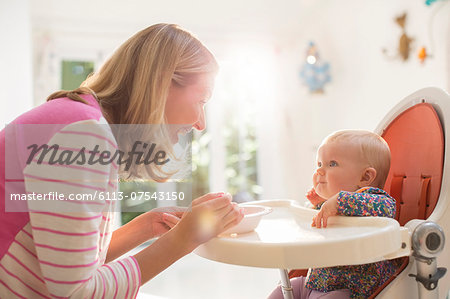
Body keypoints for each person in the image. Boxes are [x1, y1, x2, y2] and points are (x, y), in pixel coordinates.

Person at [0, 23, 243, 298]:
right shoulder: (83, 135)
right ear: (160, 84)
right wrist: (181, 241)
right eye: (202, 100)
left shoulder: (82, 124)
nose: (201, 123)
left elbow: (71, 268)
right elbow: (76, 293)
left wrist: (145, 226)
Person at [269, 130, 401, 299]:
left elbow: (387, 208)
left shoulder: (374, 200)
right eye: (319, 164)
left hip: (348, 290)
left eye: (331, 164)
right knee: (284, 289)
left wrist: (339, 200)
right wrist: (318, 206)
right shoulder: (330, 206)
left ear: (366, 176)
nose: (320, 172)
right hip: (314, 282)